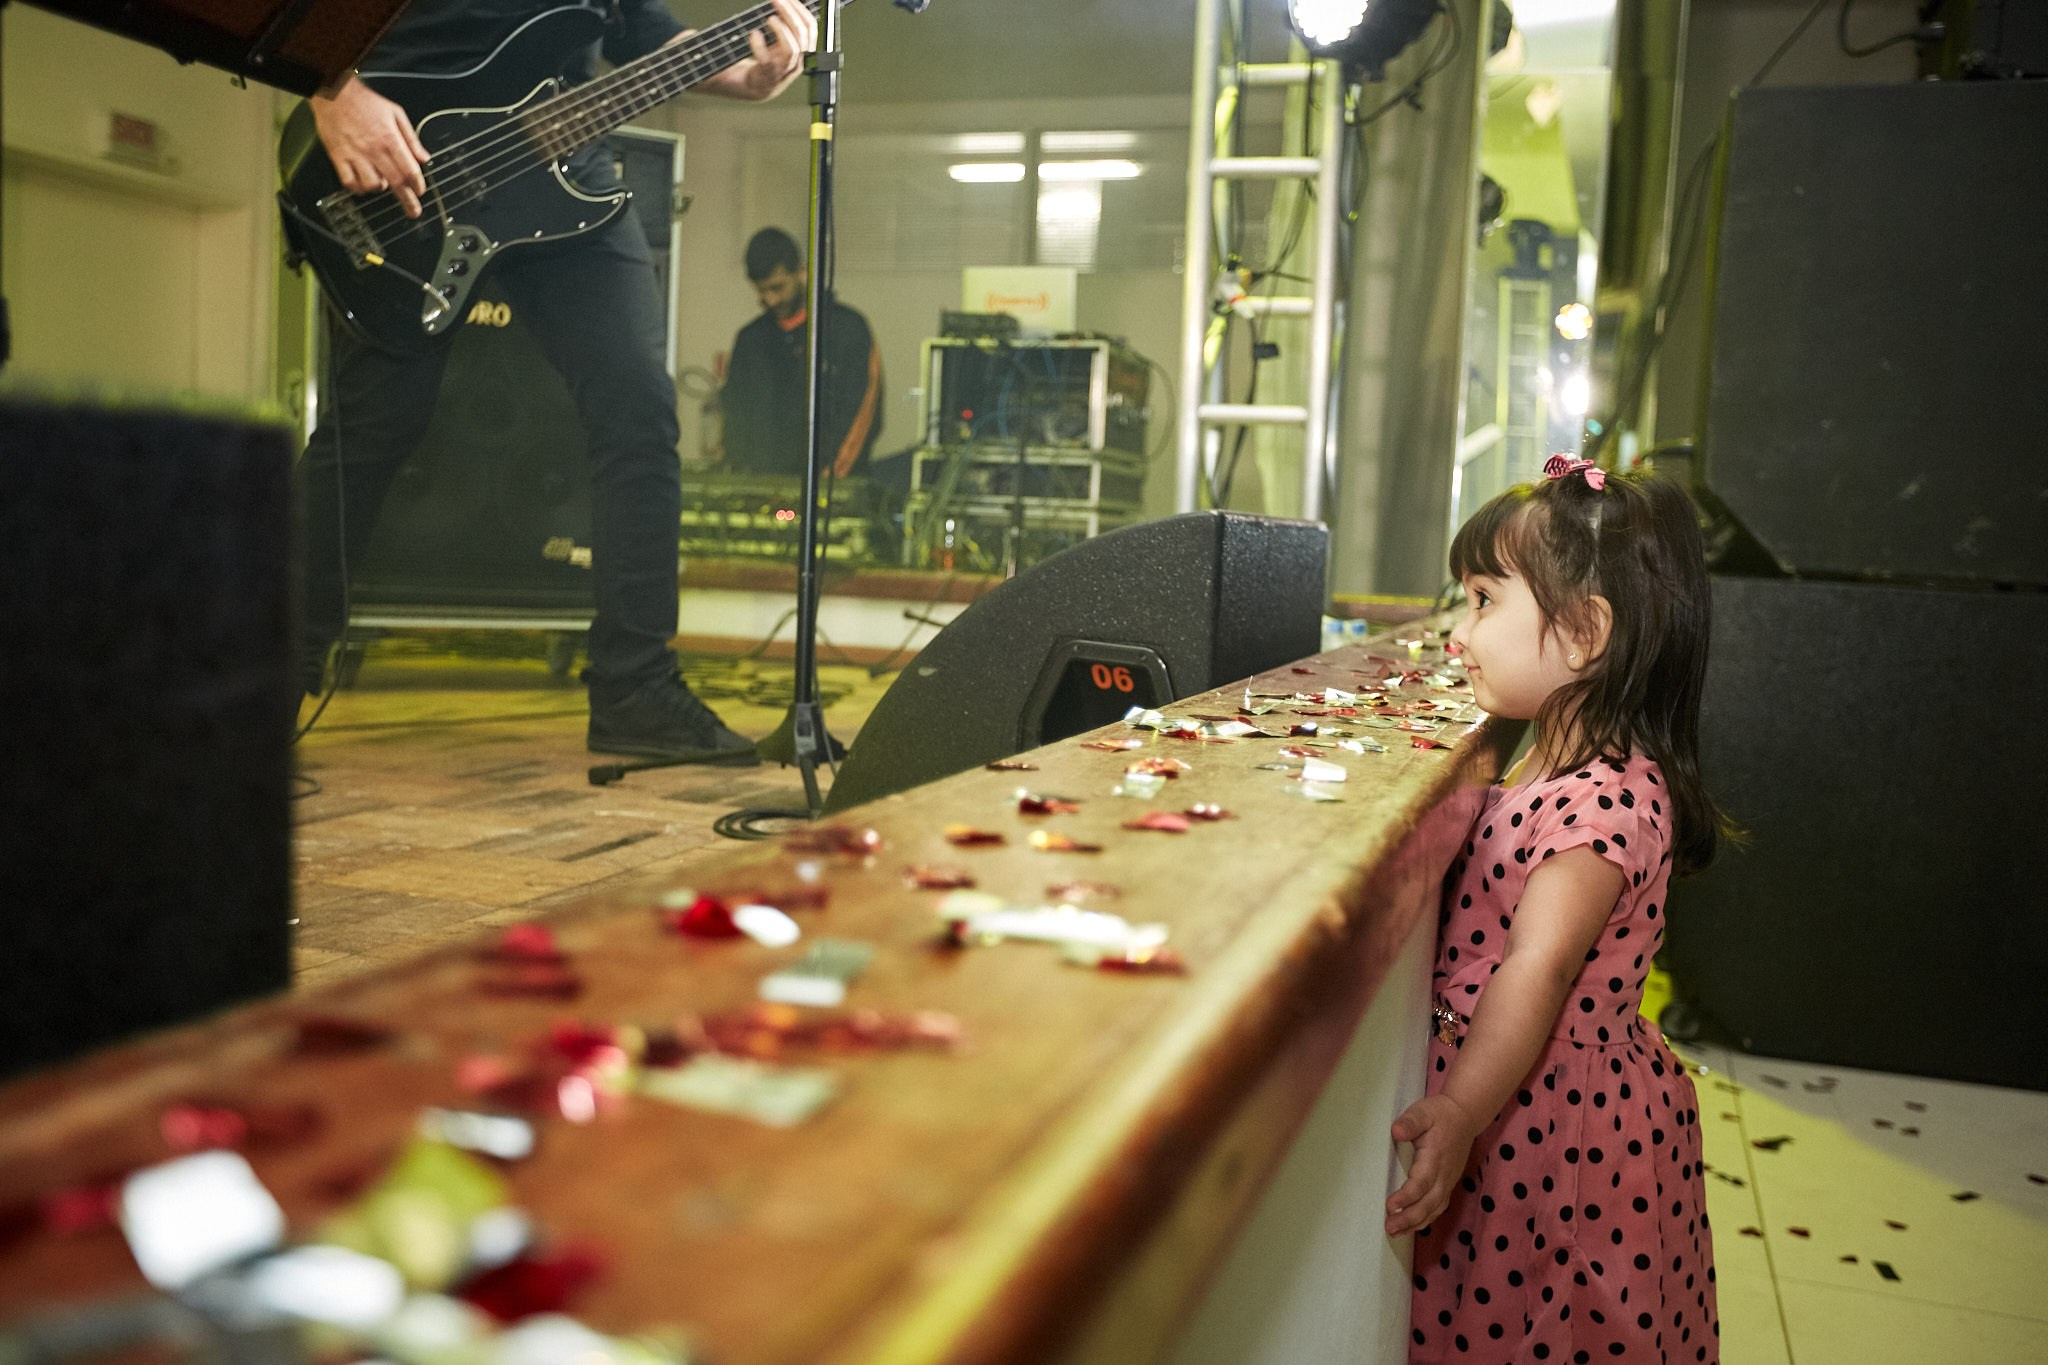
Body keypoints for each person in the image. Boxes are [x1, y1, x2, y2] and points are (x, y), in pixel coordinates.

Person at [298, 0, 817, 766]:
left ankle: (636, 690)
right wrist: (330, 90)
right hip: (404, 152)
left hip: (563, 158)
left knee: (640, 412)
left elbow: (647, 33)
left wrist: (749, 72)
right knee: (373, 428)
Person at [1388, 455, 1725, 1363]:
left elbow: (1534, 970)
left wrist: (1459, 1111)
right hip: (1515, 1098)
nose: (1460, 632)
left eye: (1485, 601)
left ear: (1583, 632)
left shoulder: (1603, 804)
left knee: (1547, 1329)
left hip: (1557, 1137)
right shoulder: (1542, 758)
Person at [717, 227, 882, 481]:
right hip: (760, 490)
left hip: (828, 489)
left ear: (802, 272)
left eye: (777, 288)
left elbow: (863, 410)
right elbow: (735, 415)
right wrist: (740, 474)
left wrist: (829, 480)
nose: (770, 300)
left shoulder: (847, 329)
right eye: (761, 291)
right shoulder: (750, 339)